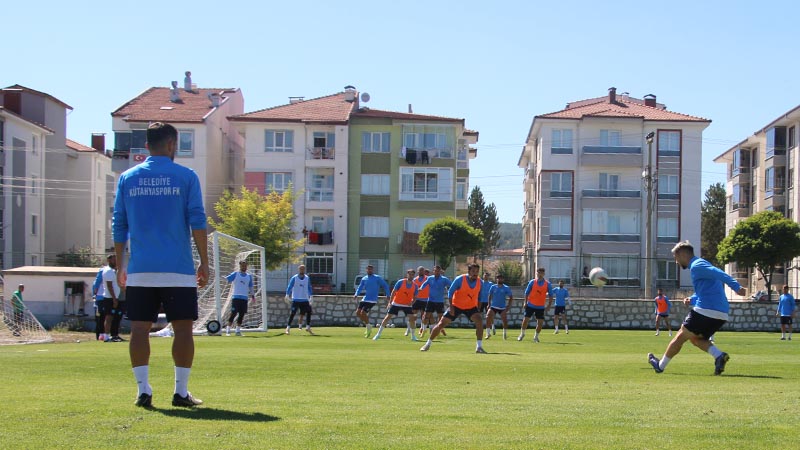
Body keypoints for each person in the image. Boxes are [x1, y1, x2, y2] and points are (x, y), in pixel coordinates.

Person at [113, 122, 209, 408]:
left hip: (141, 270)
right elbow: (198, 220)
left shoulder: (127, 178)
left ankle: (143, 390)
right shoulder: (186, 176)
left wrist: (121, 265)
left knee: (139, 330)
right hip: (178, 269)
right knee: (183, 329)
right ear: (171, 145)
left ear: (146, 147)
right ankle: (180, 392)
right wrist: (204, 261)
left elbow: (119, 224)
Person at [648, 241, 746, 375]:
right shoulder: (700, 265)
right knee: (695, 339)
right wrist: (692, 299)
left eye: (676, 258)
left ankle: (660, 365)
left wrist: (736, 287)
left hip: (706, 310)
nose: (676, 262)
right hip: (721, 314)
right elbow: (705, 290)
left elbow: (719, 273)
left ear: (682, 255)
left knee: (680, 337)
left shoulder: (697, 266)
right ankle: (719, 356)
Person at [420, 263, 486, 353]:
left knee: (479, 321)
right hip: (456, 306)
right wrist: (451, 307)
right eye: (473, 271)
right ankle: (427, 344)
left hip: (471, 307)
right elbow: (450, 292)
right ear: (469, 271)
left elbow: (480, 296)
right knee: (441, 324)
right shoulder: (460, 279)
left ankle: (479, 347)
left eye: (477, 271)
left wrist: (478, 309)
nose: (475, 273)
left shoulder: (480, 282)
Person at [373, 269, 418, 341]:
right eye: (409, 274)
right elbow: (393, 292)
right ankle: (378, 334)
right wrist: (390, 303)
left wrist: (412, 303)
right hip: (396, 303)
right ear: (407, 274)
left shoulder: (415, 285)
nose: (411, 276)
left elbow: (415, 297)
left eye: (412, 274)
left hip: (407, 305)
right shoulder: (400, 282)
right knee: (387, 318)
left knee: (412, 319)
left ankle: (413, 336)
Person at [354, 265, 390, 337]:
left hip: (372, 300)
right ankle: (368, 325)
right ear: (366, 270)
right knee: (357, 313)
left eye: (371, 269)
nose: (369, 270)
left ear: (372, 270)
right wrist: (356, 294)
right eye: (368, 269)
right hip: (365, 298)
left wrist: (388, 294)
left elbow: (385, 285)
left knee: (363, 312)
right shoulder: (364, 278)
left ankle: (368, 326)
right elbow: (360, 287)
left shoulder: (377, 278)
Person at [519, 268, 553, 342]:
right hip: (530, 305)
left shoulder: (548, 284)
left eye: (541, 273)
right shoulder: (532, 282)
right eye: (538, 273)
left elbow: (551, 295)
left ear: (544, 274)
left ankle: (536, 337)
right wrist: (525, 302)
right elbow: (526, 293)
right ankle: (522, 334)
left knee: (540, 322)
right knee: (525, 320)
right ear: (536, 273)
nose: (539, 274)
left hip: (540, 306)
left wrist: (549, 305)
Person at [418, 265, 452, 338]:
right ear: (433, 271)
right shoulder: (430, 278)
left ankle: (439, 330)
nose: (436, 272)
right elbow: (425, 284)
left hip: (439, 301)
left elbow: (452, 285)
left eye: (438, 271)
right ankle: (423, 330)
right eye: (435, 271)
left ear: (440, 271)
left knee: (441, 317)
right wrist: (421, 288)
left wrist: (454, 290)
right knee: (425, 316)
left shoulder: (444, 279)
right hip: (430, 300)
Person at [225, 260, 255, 336]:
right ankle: (228, 330)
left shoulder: (249, 276)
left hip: (244, 298)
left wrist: (253, 296)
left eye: (245, 266)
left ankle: (238, 331)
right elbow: (227, 279)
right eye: (242, 266)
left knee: (242, 314)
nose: (244, 267)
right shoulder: (236, 274)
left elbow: (251, 287)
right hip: (236, 297)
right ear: (240, 266)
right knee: (233, 313)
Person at [97, 255, 122, 342]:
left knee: (115, 317)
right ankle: (106, 337)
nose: (115, 260)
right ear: (109, 260)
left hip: (116, 297)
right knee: (109, 317)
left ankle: (114, 335)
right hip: (109, 298)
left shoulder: (114, 270)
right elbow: (109, 286)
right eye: (113, 259)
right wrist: (114, 298)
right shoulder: (108, 271)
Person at [285, 265, 314, 335]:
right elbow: (290, 286)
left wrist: (311, 296)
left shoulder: (307, 278)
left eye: (303, 269)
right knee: (293, 313)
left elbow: (309, 287)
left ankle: (308, 327)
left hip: (305, 299)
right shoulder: (294, 278)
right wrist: (287, 294)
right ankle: (288, 328)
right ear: (299, 269)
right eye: (301, 269)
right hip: (296, 299)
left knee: (309, 311)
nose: (302, 270)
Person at [486, 274, 513, 340]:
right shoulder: (493, 287)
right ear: (496, 279)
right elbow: (489, 295)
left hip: (502, 307)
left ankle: (504, 334)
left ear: (503, 279)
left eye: (501, 278)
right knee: (488, 317)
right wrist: (489, 304)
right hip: (493, 306)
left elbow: (511, 297)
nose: (499, 279)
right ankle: (488, 333)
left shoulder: (506, 288)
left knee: (505, 321)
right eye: (498, 278)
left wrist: (508, 306)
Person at [409, 266, 429, 336]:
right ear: (418, 272)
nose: (421, 272)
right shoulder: (415, 280)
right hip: (417, 299)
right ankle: (410, 329)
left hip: (425, 300)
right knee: (413, 315)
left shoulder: (428, 279)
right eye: (420, 270)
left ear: (424, 271)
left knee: (423, 315)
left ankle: (422, 329)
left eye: (422, 270)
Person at [91, 267, 104, 340]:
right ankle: (98, 336)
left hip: (103, 301)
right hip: (98, 303)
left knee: (103, 319)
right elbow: (95, 291)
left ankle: (103, 335)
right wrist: (95, 296)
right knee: (99, 319)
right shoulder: (96, 283)